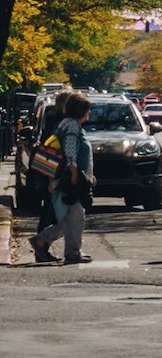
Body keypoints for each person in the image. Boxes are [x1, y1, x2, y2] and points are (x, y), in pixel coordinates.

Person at [29, 91, 92, 265]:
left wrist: (88, 175)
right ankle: (71, 252)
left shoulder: (66, 123)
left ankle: (42, 241)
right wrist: (73, 173)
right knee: (75, 215)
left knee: (69, 217)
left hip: (62, 177)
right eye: (88, 109)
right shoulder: (72, 126)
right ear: (81, 110)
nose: (90, 113)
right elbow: (70, 151)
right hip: (66, 178)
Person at [26, 91, 73, 264]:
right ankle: (41, 246)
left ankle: (42, 248)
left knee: (50, 210)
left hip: (49, 170)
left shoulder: (55, 119)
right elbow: (58, 147)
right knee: (51, 212)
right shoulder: (59, 122)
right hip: (54, 171)